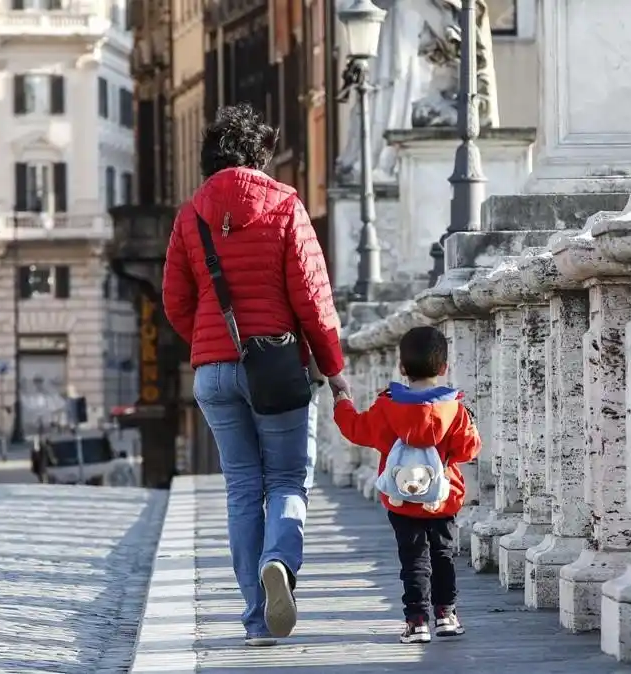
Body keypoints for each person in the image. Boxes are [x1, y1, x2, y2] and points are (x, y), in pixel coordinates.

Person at [162, 103, 350, 647]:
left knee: (242, 488)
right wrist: (334, 371)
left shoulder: (190, 214)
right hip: (278, 370)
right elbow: (312, 300)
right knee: (287, 480)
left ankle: (255, 619)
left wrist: (208, 343)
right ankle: (278, 562)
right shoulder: (286, 206)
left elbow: (176, 301)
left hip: (214, 374)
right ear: (261, 155)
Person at [332, 325, 481, 644]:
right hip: (442, 497)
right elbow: (468, 450)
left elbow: (358, 430)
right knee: (442, 555)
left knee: (413, 559)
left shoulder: (388, 405)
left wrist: (342, 402)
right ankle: (446, 614)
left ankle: (416, 621)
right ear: (444, 367)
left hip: (401, 497)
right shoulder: (453, 408)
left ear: (401, 367)